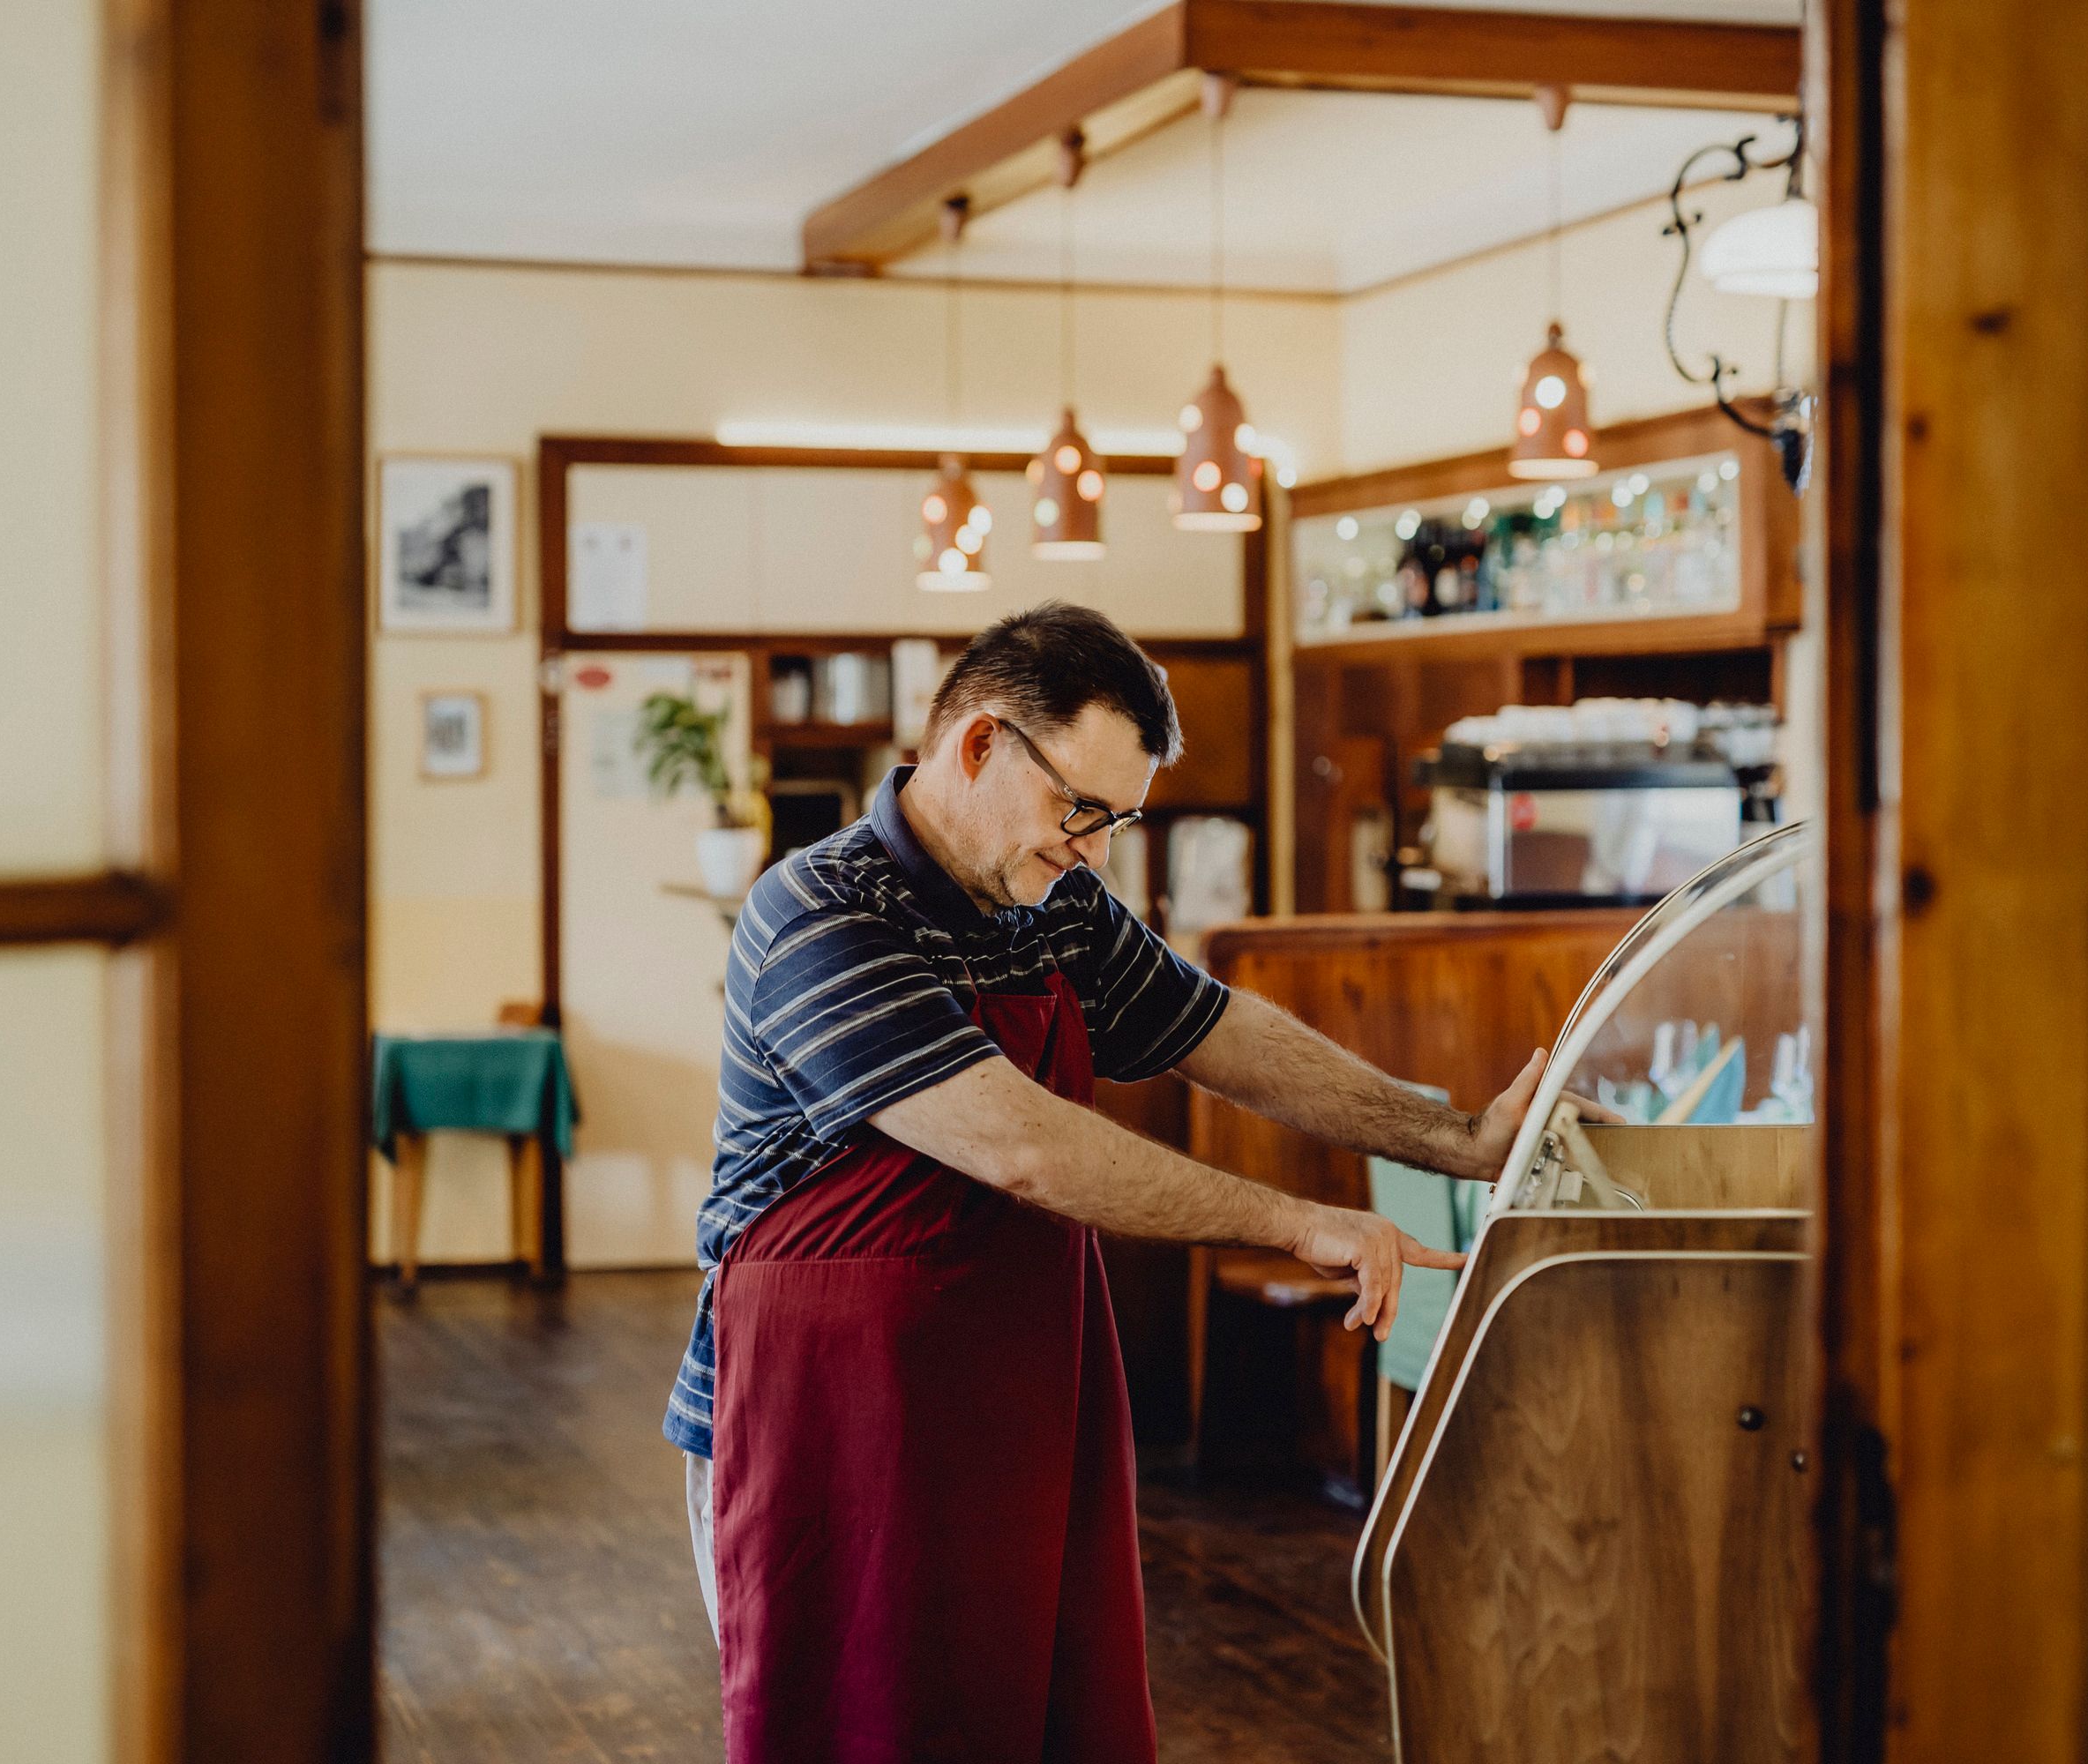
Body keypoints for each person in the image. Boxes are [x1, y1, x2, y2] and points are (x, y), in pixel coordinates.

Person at [668, 602, 1583, 1763]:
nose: (1095, 851)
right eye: (1082, 810)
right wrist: (1294, 1221)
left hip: (1013, 1403)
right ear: (981, 743)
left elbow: (1220, 1032)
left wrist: (1456, 1138)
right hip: (820, 1434)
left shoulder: (1053, 903)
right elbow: (1023, 1146)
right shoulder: (821, 910)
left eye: (1118, 820)